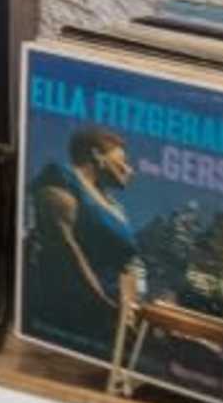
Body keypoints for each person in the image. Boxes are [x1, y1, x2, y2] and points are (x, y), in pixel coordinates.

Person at [25, 125, 142, 349]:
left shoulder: (116, 208)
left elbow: (127, 266)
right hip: (68, 305)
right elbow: (65, 247)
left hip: (111, 318)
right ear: (97, 154)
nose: (129, 170)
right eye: (123, 161)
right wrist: (102, 304)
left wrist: (128, 313)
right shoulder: (61, 178)